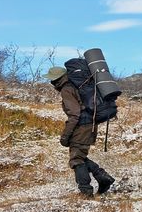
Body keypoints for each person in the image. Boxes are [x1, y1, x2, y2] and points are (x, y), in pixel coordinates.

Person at [45, 66, 115, 197]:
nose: (51, 83)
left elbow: (74, 114)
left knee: (76, 160)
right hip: (89, 125)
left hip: (81, 127)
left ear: (56, 80)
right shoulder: (76, 85)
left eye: (52, 80)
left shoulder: (67, 89)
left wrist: (65, 136)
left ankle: (86, 192)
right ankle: (102, 177)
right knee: (79, 156)